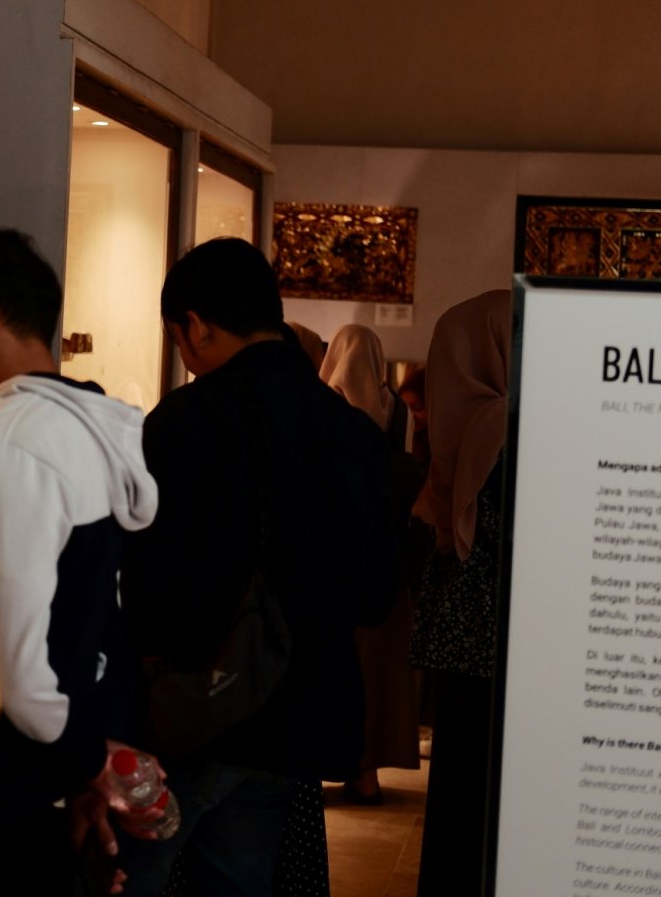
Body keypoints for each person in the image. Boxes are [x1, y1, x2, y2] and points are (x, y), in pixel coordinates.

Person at [118, 238, 398, 896]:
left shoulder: (184, 422)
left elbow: (142, 583)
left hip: (193, 712)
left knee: (129, 879)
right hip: (298, 719)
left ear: (194, 326)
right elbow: (375, 596)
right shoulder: (353, 432)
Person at [0, 227, 160, 896]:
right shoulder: (82, 427)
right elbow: (100, 631)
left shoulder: (7, 446)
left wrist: (88, 760)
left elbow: (4, 670)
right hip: (45, 782)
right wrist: (88, 756)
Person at [409, 291, 510, 897]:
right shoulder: (523, 422)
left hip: (477, 645)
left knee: (463, 804)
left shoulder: (491, 428)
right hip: (506, 646)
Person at [319, 324, 422, 805]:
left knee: (337, 667)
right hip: (388, 559)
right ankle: (368, 774)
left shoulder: (326, 406)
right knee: (379, 674)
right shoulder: (399, 411)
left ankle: (333, 761)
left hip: (336, 561)